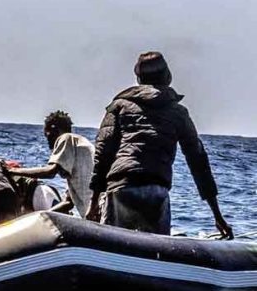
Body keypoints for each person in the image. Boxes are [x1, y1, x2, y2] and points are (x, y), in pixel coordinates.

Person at [85, 51, 233, 238]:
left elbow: (103, 154)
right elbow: (198, 162)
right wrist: (217, 216)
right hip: (156, 191)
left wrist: (93, 203)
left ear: (138, 79)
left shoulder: (119, 107)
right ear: (168, 77)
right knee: (154, 251)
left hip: (121, 187)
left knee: (112, 247)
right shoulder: (178, 112)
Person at [7, 110, 94, 217]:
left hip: (97, 209)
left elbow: (50, 172)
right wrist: (39, 217)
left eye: (46, 134)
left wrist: (13, 171)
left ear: (54, 129)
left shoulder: (66, 138)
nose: (47, 140)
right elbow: (68, 203)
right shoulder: (79, 148)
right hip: (98, 210)